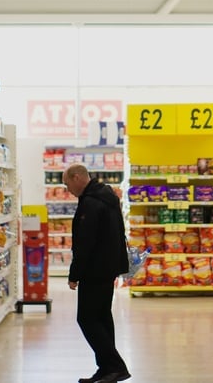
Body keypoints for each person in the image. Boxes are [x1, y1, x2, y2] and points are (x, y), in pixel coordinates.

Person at [64, 163, 131, 383]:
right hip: (107, 267)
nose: (68, 190)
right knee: (102, 317)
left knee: (86, 318)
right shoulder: (106, 197)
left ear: (77, 177)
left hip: (94, 269)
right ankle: (106, 369)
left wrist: (74, 274)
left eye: (67, 184)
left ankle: (115, 366)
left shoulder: (91, 203)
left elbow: (85, 243)